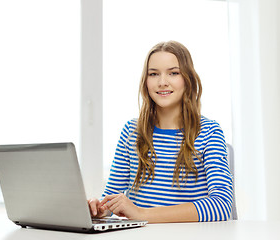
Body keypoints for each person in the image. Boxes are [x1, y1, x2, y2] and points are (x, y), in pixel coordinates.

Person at [88, 41, 233, 223]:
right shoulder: (131, 132)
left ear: (188, 79)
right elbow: (111, 198)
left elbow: (222, 205)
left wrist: (142, 214)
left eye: (173, 73)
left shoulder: (209, 132)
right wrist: (100, 209)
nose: (162, 82)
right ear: (146, 81)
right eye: (154, 74)